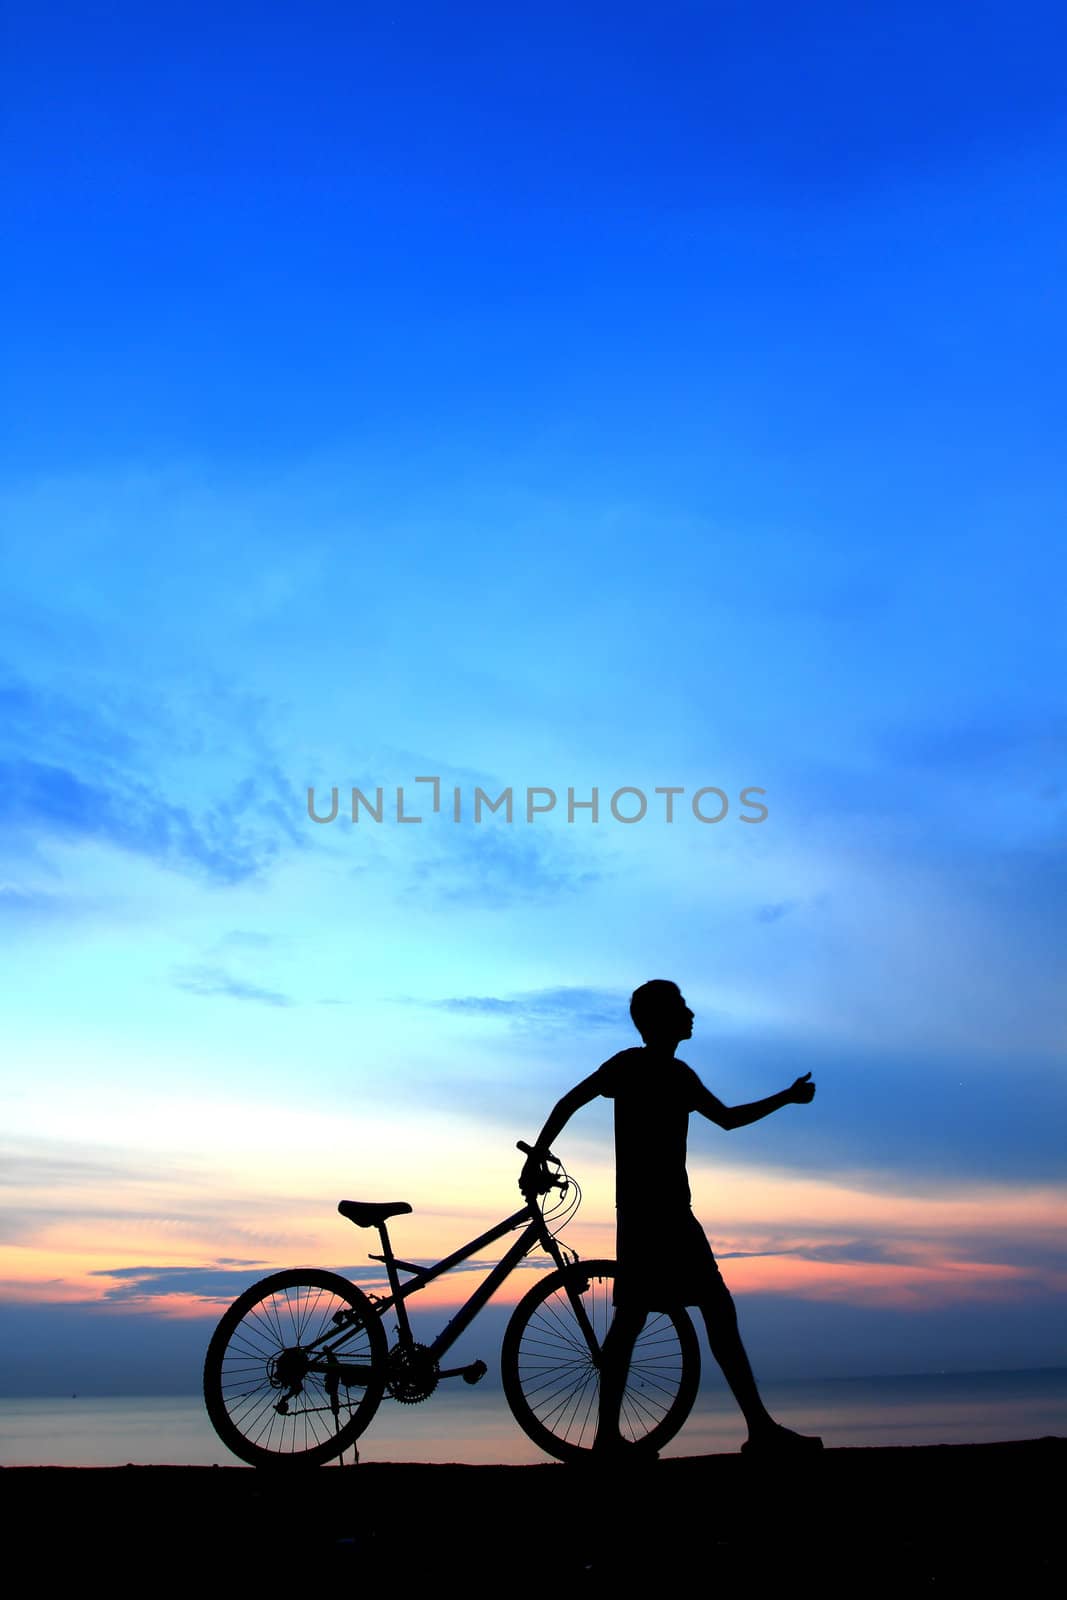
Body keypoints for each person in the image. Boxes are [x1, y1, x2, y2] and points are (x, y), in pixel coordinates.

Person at [520, 978, 823, 1457]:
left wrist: (783, 1098)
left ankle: (609, 1438)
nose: (691, 1013)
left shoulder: (668, 1072)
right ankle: (756, 1430)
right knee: (704, 1313)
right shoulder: (645, 1068)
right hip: (662, 1217)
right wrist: (537, 1154)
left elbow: (724, 1118)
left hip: (650, 1214)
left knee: (637, 1322)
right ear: (660, 1018)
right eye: (682, 1006)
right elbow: (573, 1102)